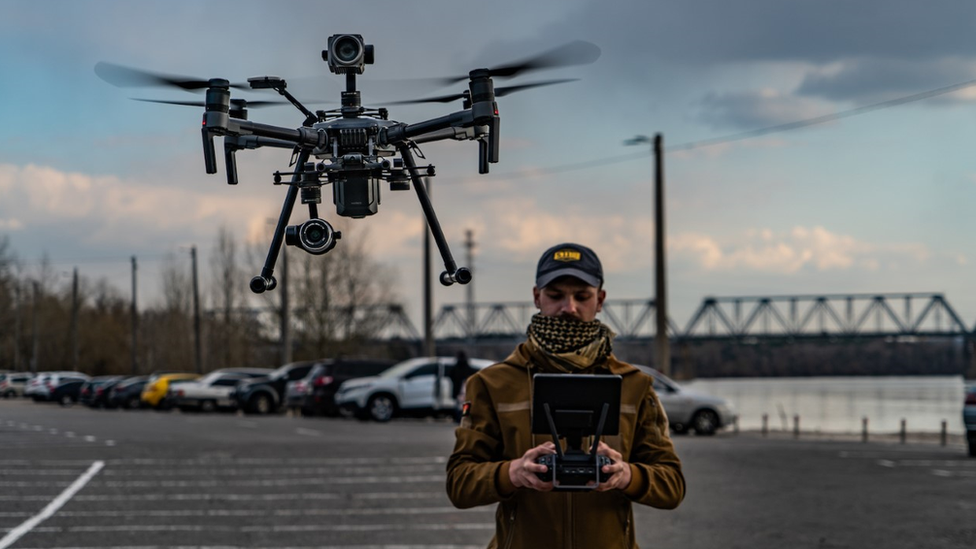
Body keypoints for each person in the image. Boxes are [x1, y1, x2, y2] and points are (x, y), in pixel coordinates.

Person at [446, 243, 685, 549]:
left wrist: (626, 475)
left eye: (582, 296)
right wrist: (513, 472)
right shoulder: (492, 383)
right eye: (555, 295)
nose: (568, 308)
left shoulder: (635, 385)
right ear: (537, 297)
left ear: (600, 300)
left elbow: (673, 486)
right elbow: (459, 484)